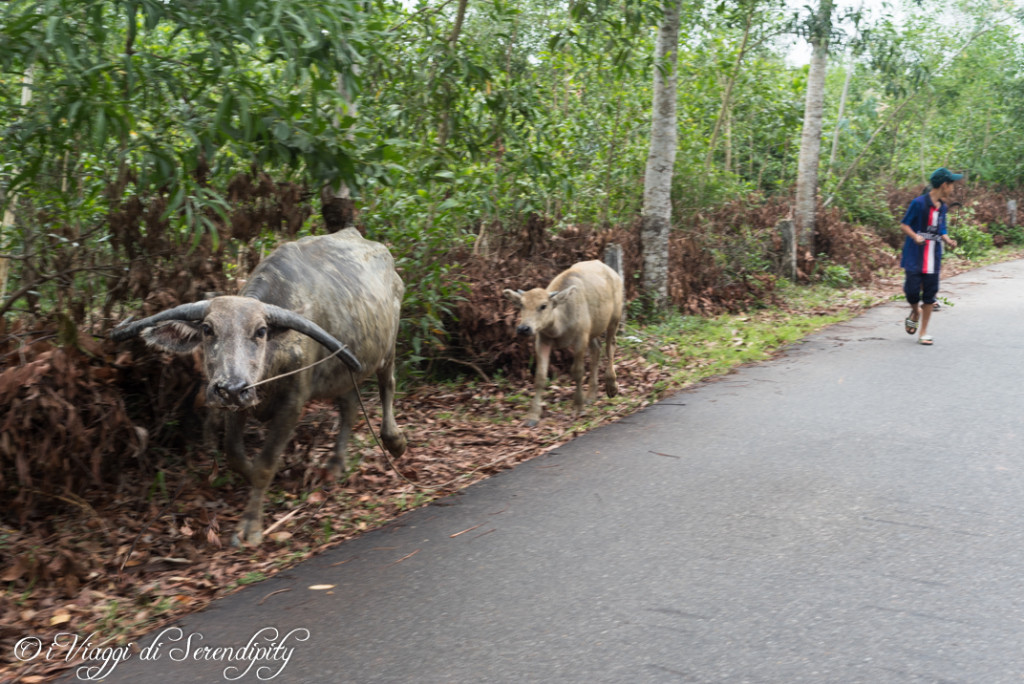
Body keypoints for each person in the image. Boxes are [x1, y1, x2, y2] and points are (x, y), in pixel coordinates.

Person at [900, 167, 961, 345]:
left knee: (929, 295)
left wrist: (948, 240)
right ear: (944, 185)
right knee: (911, 292)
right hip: (914, 255)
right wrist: (915, 236)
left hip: (933, 257)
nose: (953, 188)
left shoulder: (942, 208)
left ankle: (923, 332)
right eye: (951, 184)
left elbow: (941, 228)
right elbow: (904, 225)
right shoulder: (918, 204)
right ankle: (915, 311)